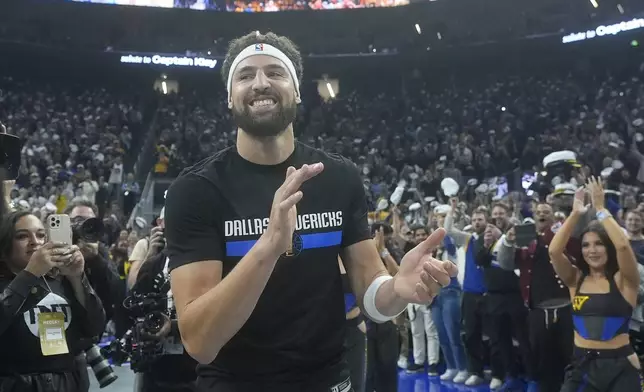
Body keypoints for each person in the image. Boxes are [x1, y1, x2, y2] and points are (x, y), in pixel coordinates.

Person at [164, 31, 457, 392]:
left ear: (297, 91)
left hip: (329, 381)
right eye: (245, 75)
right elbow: (200, 342)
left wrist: (398, 290)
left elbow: (370, 292)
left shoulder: (338, 177)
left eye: (275, 72)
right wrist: (268, 248)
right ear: (229, 96)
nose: (260, 83)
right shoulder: (195, 190)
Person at [549, 177, 642, 391]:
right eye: (586, 245)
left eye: (599, 244)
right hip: (582, 366)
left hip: (620, 366)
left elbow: (623, 246)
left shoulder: (625, 280)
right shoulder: (575, 279)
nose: (592, 250)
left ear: (608, 248)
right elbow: (554, 251)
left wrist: (601, 209)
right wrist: (575, 214)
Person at [0, 211, 105, 392]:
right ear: (4, 247)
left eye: (41, 235)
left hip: (68, 383)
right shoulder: (5, 284)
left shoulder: (61, 281)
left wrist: (76, 278)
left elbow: (95, 328)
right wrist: (30, 274)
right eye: (22, 236)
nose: (35, 242)